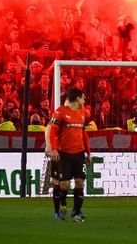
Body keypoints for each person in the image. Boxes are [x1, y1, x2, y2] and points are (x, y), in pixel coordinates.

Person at [46, 87, 91, 222]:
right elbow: (52, 132)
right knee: (63, 184)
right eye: (83, 97)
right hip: (63, 153)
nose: (84, 100)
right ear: (77, 98)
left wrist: (88, 153)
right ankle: (59, 208)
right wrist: (53, 149)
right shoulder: (60, 112)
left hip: (79, 153)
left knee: (79, 182)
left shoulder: (83, 113)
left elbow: (84, 134)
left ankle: (76, 211)